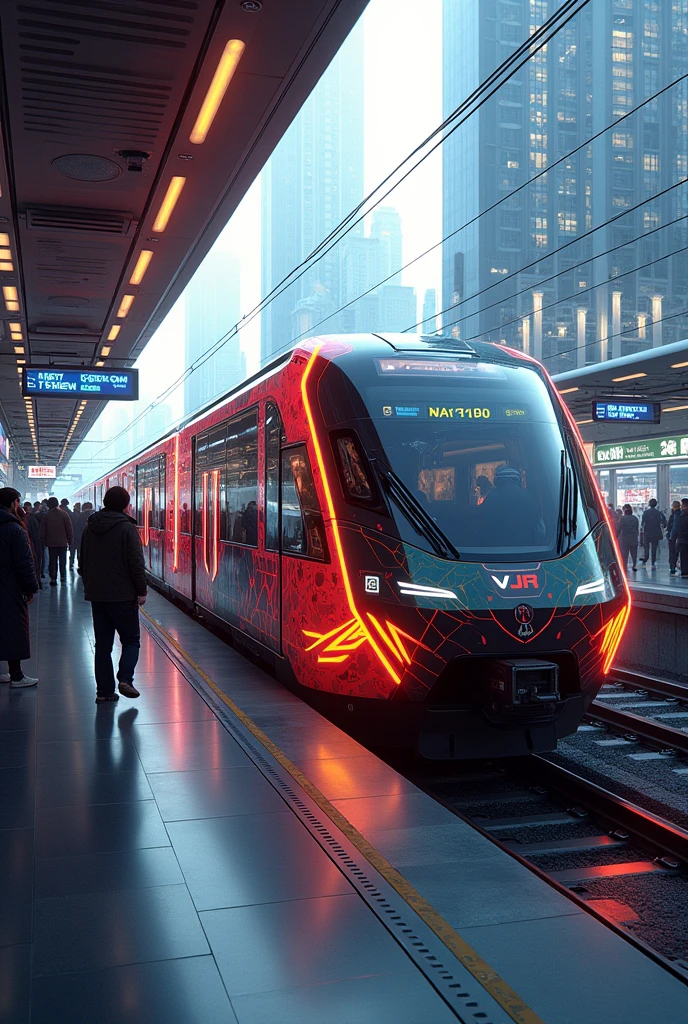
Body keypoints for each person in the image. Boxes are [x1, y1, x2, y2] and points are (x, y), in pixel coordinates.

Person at [79, 486, 147, 704]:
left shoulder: (90, 527)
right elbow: (136, 563)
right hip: (123, 595)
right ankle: (125, 678)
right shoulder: (127, 529)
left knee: (103, 646)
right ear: (126, 505)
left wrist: (91, 584)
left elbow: (82, 561)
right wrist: (141, 590)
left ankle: (104, 692)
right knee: (131, 641)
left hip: (98, 596)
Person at [0, 488, 39, 687]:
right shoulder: (14, 528)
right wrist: (30, 587)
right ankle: (16, 675)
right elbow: (24, 563)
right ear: (15, 503)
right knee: (14, 629)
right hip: (10, 587)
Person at [480, 463, 545, 544]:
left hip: (495, 550)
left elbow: (482, 529)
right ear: (519, 480)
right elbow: (540, 530)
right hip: (527, 550)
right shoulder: (530, 498)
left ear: (496, 480)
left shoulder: (490, 499)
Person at [39, 496, 73, 586]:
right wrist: (70, 541)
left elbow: (43, 530)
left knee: (52, 561)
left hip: (51, 543)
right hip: (62, 543)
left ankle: (53, 578)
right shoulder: (64, 514)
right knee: (62, 560)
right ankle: (62, 577)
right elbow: (69, 529)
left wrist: (42, 541)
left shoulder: (46, 516)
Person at [639, 498, 666, 568]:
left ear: (649, 504)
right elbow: (663, 521)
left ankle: (646, 558)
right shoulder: (659, 513)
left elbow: (643, 523)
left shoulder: (646, 512)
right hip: (655, 532)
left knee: (646, 547)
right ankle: (653, 561)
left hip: (647, 532)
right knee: (654, 547)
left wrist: (641, 530)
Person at [618, 503, 640, 571]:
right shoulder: (635, 518)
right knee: (634, 553)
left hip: (624, 538)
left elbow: (619, 528)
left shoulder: (622, 519)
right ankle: (634, 565)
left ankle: (624, 566)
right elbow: (637, 528)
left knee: (625, 554)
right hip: (633, 538)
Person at [670, 497, 688, 579]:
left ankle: (684, 572)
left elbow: (676, 528)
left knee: (683, 556)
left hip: (682, 540)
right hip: (683, 539)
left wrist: (672, 539)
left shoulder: (680, 516)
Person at [667, 500, 681, 576]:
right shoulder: (680, 514)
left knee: (673, 554)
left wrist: (671, 538)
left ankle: (672, 568)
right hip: (679, 538)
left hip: (674, 538)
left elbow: (673, 528)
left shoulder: (675, 515)